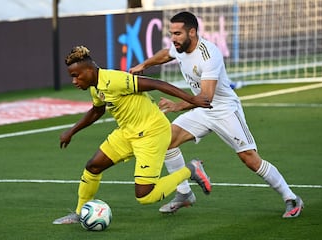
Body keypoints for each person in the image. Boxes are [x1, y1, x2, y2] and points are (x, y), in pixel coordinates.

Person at [129, 11, 304, 218]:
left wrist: (176, 105)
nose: (173, 38)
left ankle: (291, 197)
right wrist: (145, 65)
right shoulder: (179, 48)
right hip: (200, 110)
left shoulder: (209, 54)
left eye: (177, 33)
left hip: (223, 110)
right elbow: (165, 54)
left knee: (249, 158)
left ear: (192, 32)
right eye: (171, 33)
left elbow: (206, 98)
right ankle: (184, 193)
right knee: (165, 141)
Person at [52, 45, 213, 224]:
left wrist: (192, 99)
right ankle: (80, 212)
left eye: (76, 76)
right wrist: (72, 131)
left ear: (90, 70)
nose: (74, 81)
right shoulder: (94, 86)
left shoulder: (115, 80)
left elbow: (157, 84)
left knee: (145, 196)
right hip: (127, 132)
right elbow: (97, 111)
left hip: (151, 133)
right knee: (93, 166)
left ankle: (191, 169)